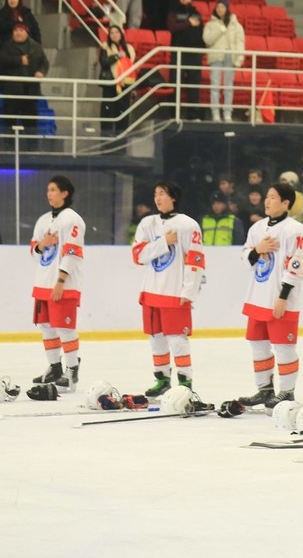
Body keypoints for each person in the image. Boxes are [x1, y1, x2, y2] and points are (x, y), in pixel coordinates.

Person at [236, 183, 303, 408]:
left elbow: (296, 265)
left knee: (284, 346)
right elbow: (245, 257)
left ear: (286, 203)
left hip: (279, 299)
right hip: (257, 296)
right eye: (267, 196)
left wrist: (283, 296)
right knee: (258, 344)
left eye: (273, 197)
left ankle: (287, 391)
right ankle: (264, 390)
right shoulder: (257, 228)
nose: (267, 201)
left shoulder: (294, 229)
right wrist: (258, 250)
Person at [130, 182, 206, 396]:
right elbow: (138, 256)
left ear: (173, 197)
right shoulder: (147, 223)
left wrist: (189, 291)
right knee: (156, 338)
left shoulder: (188, 225)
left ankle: (185, 382)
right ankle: (162, 379)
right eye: (155, 194)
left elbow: (196, 260)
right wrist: (164, 242)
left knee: (177, 339)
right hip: (151, 291)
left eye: (162, 193)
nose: (158, 198)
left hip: (174, 293)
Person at [29, 176, 85, 393]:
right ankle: (54, 368)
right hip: (43, 283)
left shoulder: (72, 220)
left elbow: (72, 254)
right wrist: (43, 244)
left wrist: (60, 281)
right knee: (46, 326)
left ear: (65, 193)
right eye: (48, 190)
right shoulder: (43, 220)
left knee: (65, 328)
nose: (49, 193)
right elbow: (34, 253)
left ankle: (71, 371)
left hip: (63, 285)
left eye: (53, 189)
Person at [0, 22, 48, 133]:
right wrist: (19, 60)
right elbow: (2, 60)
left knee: (30, 123)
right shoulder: (6, 47)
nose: (18, 33)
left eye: (21, 31)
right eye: (16, 31)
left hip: (31, 91)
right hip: (11, 91)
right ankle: (9, 143)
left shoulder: (36, 47)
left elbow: (44, 62)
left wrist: (41, 71)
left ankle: (30, 143)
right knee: (9, 123)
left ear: (27, 33)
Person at [202, 0, 245, 123]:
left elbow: (240, 42)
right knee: (215, 86)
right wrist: (220, 29)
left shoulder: (236, 25)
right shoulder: (210, 24)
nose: (220, 9)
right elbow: (207, 40)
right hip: (216, 57)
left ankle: (227, 113)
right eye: (218, 7)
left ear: (227, 9)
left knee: (228, 87)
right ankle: (215, 113)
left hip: (230, 57)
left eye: (222, 7)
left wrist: (239, 59)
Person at [168, 0, 205, 120]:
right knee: (175, 84)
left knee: (194, 87)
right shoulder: (173, 12)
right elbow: (172, 27)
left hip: (194, 54)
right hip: (178, 53)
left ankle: (193, 115)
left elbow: (201, 32)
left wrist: (201, 50)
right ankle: (173, 115)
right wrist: (188, 23)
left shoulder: (196, 13)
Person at [98, 25, 137, 135]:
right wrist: (117, 56)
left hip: (125, 85)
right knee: (107, 112)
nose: (114, 35)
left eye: (117, 32)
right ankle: (105, 136)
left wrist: (133, 88)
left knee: (123, 112)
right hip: (111, 84)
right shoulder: (105, 47)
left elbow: (131, 68)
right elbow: (104, 62)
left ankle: (122, 136)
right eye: (112, 33)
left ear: (121, 34)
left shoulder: (128, 48)